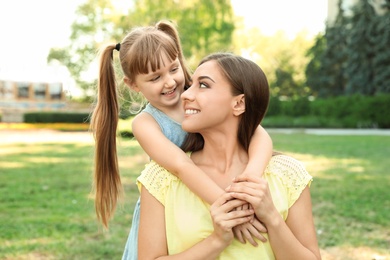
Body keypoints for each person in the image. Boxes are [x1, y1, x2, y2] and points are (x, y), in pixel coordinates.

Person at [90, 21, 273, 260]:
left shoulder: (199, 96)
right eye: (155, 78)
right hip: (172, 208)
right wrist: (231, 210)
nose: (169, 82)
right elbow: (181, 166)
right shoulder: (145, 124)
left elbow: (258, 133)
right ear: (133, 85)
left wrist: (251, 180)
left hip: (214, 193)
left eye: (173, 69)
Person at [137, 52, 322, 259]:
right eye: (191, 86)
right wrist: (216, 241)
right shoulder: (160, 178)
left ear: (239, 104)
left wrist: (272, 218)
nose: (185, 95)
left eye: (204, 85)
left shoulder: (288, 175)